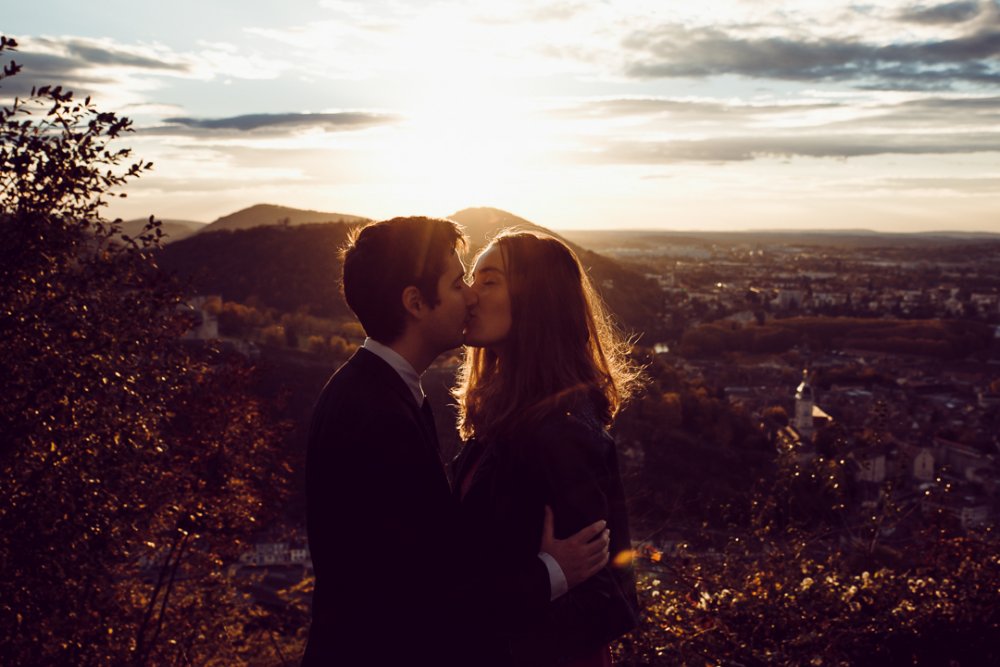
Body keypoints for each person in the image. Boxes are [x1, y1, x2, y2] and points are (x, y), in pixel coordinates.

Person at [302, 217, 611, 666]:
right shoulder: (374, 414)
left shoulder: (378, 394)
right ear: (415, 302)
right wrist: (551, 573)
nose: (470, 295)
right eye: (459, 281)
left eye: (482, 281)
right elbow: (419, 591)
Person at [454, 230, 643, 666]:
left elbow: (603, 597)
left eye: (489, 281)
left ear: (536, 301)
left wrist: (542, 581)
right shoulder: (502, 417)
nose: (470, 295)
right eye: (470, 279)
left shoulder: (560, 430)